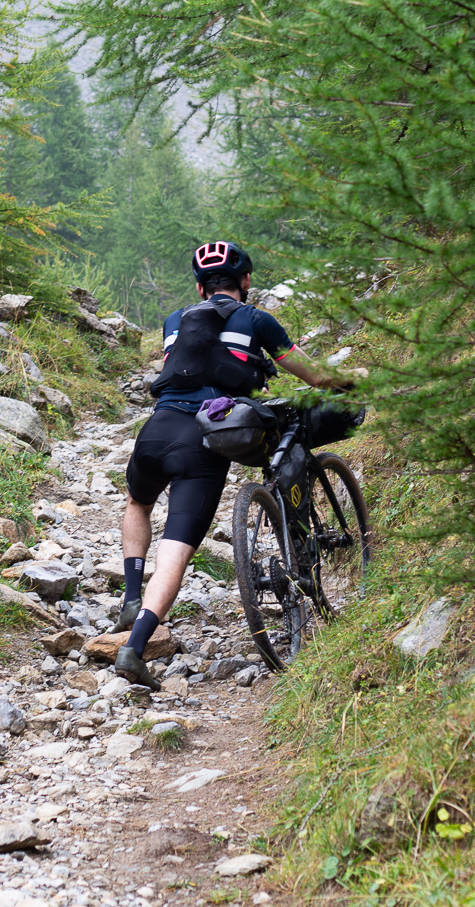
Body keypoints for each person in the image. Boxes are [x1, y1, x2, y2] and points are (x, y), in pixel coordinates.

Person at [112, 241, 347, 689]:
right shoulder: (257, 319)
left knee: (138, 502)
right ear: (246, 281)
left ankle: (131, 596)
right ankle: (134, 649)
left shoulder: (174, 320)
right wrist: (351, 380)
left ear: (200, 288)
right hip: (201, 441)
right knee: (176, 551)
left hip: (156, 429)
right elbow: (313, 375)